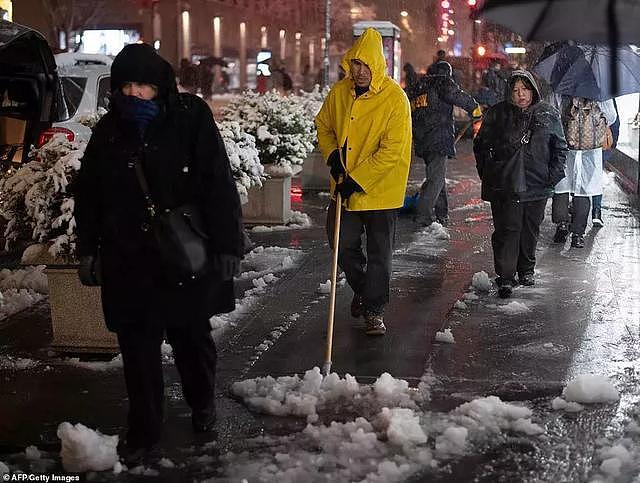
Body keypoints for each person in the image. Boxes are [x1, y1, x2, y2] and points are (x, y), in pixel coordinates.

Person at [74, 44, 244, 462]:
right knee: (137, 346)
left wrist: (227, 245)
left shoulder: (190, 118)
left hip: (180, 254)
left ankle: (202, 401)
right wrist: (88, 249)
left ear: (161, 86)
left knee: (191, 337)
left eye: (143, 86)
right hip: (128, 257)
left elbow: (217, 184)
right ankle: (144, 428)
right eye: (126, 85)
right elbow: (89, 195)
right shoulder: (110, 131)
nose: (133, 93)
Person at [315, 28, 412, 336]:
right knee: (340, 243)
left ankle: (374, 310)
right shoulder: (339, 92)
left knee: (380, 255)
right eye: (355, 64)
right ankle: (363, 289)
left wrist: (356, 180)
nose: (359, 72)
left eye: (365, 65)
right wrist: (331, 156)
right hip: (343, 188)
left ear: (377, 65)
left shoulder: (395, 99)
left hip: (380, 191)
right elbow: (324, 125)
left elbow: (392, 151)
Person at [474, 70, 567, 298]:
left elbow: (560, 148)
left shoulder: (547, 114)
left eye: (525, 89)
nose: (520, 95)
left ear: (533, 90)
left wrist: (551, 176)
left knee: (530, 229)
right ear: (509, 92)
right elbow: (481, 147)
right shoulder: (497, 114)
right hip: (506, 184)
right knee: (508, 229)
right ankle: (505, 277)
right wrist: (490, 174)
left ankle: (526, 269)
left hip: (538, 184)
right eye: (515, 90)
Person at [407, 60, 481, 226]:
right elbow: (456, 95)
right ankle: (423, 216)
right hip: (437, 138)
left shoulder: (419, 87)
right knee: (436, 179)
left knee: (436, 175)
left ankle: (442, 213)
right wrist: (474, 108)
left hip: (422, 139)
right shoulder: (442, 82)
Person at [551, 96, 617, 248]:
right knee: (584, 190)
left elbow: (553, 112)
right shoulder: (599, 91)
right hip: (590, 149)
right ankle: (577, 235)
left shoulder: (562, 88)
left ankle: (562, 225)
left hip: (565, 146)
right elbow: (611, 116)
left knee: (562, 186)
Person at [592, 98, 619, 227]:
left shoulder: (570, 89)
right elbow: (612, 116)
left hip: (577, 142)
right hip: (598, 141)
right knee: (596, 175)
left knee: (578, 174)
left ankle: (576, 208)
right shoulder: (602, 90)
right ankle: (596, 212)